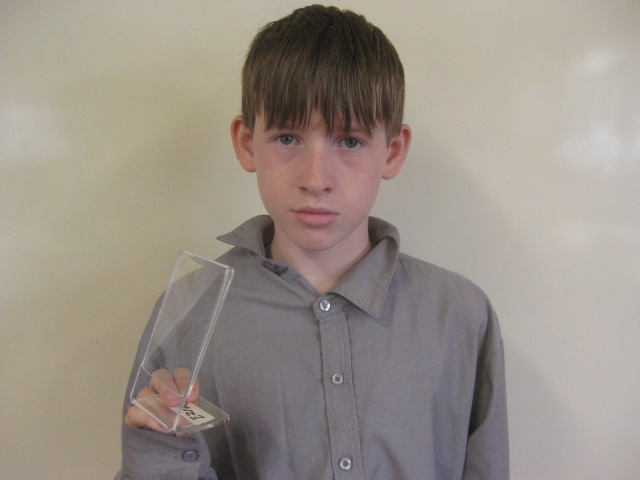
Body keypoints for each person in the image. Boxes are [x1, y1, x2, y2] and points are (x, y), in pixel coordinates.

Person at [116, 4, 509, 479]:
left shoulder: (460, 314)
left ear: (393, 151)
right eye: (287, 138)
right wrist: (158, 453)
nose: (316, 179)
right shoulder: (188, 312)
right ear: (247, 143)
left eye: (350, 141)